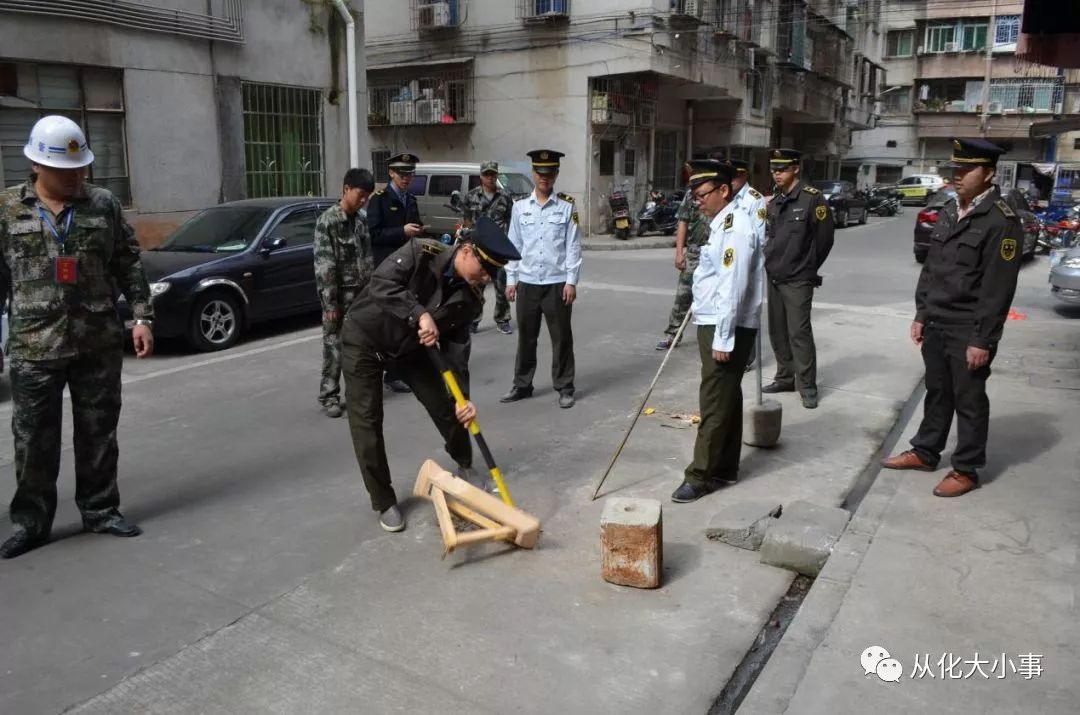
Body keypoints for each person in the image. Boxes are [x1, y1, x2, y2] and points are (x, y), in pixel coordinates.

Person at [0, 115, 154, 559]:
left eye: (79, 169)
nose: (75, 177)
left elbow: (127, 262)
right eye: (64, 171)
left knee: (99, 431)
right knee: (32, 440)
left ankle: (101, 510)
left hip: (96, 340)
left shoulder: (103, 204)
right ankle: (31, 522)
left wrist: (142, 316)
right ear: (36, 166)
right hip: (33, 345)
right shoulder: (8, 210)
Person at [339, 217, 520, 532]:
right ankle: (383, 500)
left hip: (412, 351)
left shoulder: (470, 301)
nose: (486, 279)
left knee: (447, 407)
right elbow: (382, 285)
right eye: (484, 268)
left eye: (493, 273)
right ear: (465, 251)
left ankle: (464, 463)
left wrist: (464, 400)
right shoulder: (421, 252)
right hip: (365, 339)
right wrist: (419, 314)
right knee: (367, 422)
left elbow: (457, 353)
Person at [880, 138, 1022, 498]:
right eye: (955, 170)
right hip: (938, 319)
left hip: (968, 325)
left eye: (966, 169)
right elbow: (933, 267)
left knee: (969, 399)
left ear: (988, 174)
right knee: (937, 390)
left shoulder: (1000, 220)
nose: (957, 176)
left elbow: (998, 287)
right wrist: (921, 313)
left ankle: (966, 469)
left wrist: (983, 339)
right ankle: (926, 452)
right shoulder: (949, 209)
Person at [670, 160, 763, 503]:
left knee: (713, 399)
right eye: (694, 196)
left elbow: (734, 286)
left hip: (726, 326)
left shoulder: (736, 227)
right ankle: (725, 467)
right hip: (715, 320)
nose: (698, 202)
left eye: (702, 195)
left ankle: (700, 474)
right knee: (727, 396)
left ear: (723, 190)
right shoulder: (721, 222)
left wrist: (724, 337)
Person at [500, 149, 583, 409]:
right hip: (527, 283)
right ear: (533, 173)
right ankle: (522, 384)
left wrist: (571, 281)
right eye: (539, 172)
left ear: (556, 174)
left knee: (561, 338)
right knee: (526, 337)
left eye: (549, 173)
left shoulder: (568, 206)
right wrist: (511, 280)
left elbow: (573, 246)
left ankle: (565, 386)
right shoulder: (520, 207)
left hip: (556, 284)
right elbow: (513, 246)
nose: (544, 177)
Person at [762, 148, 834, 409]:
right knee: (777, 330)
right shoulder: (776, 201)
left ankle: (807, 385)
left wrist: (807, 267)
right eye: (774, 169)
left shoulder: (813, 199)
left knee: (799, 333)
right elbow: (771, 237)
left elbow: (824, 240)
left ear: (795, 169)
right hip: (775, 277)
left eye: (781, 168)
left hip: (798, 279)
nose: (776, 173)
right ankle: (784, 377)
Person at [314, 167, 375, 418]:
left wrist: (372, 293)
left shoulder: (361, 221)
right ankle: (329, 395)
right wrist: (330, 305)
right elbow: (324, 266)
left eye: (367, 196)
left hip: (361, 297)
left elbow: (368, 258)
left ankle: (356, 393)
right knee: (334, 346)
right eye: (360, 194)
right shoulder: (327, 222)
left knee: (359, 347)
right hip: (338, 298)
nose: (363, 200)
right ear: (346, 189)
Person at [366, 152, 423, 394]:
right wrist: (402, 231)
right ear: (391, 173)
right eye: (402, 174)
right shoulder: (379, 199)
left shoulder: (410, 198)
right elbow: (373, 234)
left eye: (410, 174)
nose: (406, 178)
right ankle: (385, 371)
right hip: (387, 268)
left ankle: (399, 370)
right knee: (388, 321)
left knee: (406, 319)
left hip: (408, 267)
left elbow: (416, 228)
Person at [655, 163, 711, 351]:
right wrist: (679, 252)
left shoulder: (717, 194)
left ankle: (715, 338)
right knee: (683, 295)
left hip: (716, 254)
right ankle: (672, 334)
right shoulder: (691, 195)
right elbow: (683, 223)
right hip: (694, 252)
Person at [462, 161, 514, 335]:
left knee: (501, 284)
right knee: (477, 286)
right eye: (487, 174)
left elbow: (510, 220)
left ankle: (502, 319)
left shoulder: (505, 196)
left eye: (493, 174)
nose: (490, 178)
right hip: (479, 249)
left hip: (498, 249)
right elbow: (467, 220)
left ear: (497, 175)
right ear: (481, 176)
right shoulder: (471, 196)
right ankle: (473, 320)